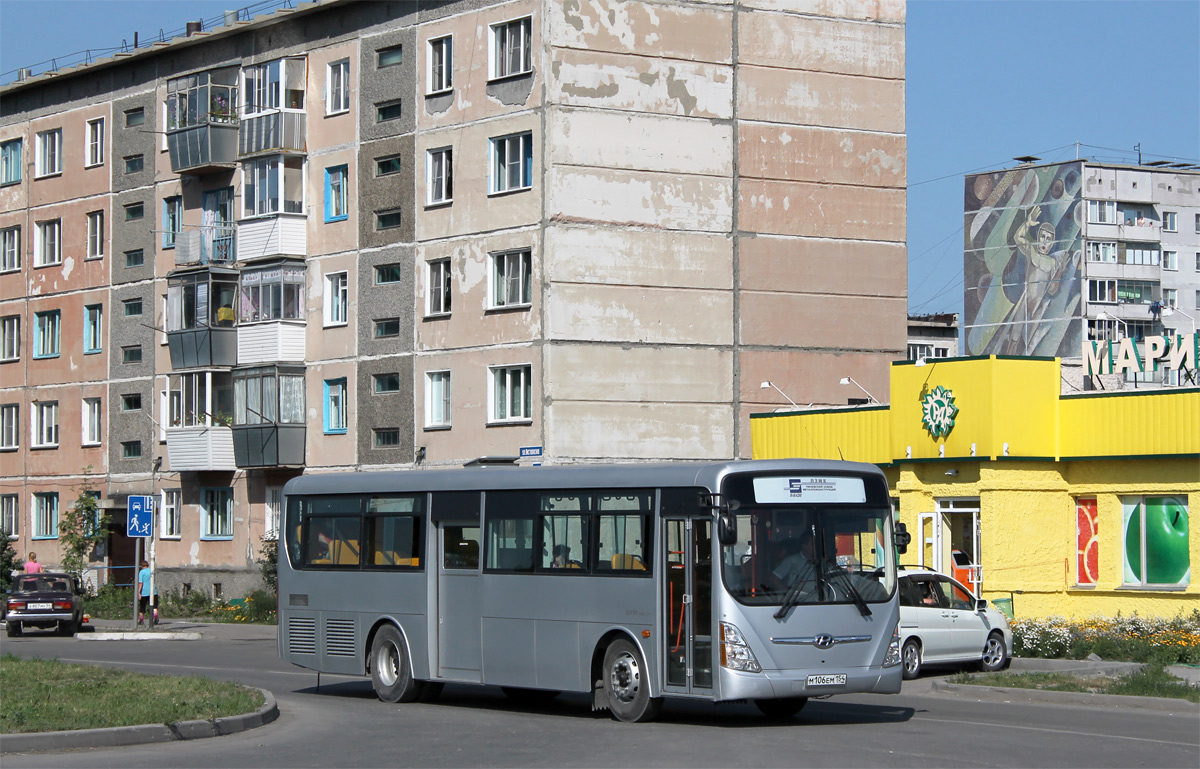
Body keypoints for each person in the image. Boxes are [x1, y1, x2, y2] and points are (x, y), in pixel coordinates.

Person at [137, 560, 158, 626]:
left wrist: (139, 592)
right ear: (148, 565)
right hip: (153, 591)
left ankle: (141, 620)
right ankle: (156, 617)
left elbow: (141, 583)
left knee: (142, 606)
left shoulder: (142, 572)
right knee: (154, 606)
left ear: (142, 566)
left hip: (144, 591)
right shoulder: (151, 571)